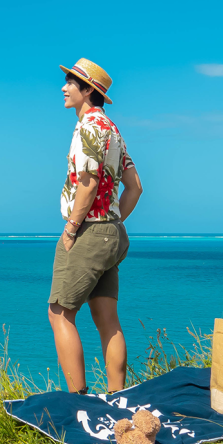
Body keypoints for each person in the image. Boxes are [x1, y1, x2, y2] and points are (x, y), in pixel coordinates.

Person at [48, 57, 143, 394]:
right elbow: (135, 187)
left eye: (70, 83)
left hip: (88, 230)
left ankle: (77, 401)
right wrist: (112, 221)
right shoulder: (113, 131)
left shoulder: (88, 127)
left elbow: (87, 185)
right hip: (112, 232)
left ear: (87, 90)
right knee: (107, 320)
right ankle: (119, 397)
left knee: (60, 313)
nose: (63, 88)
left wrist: (73, 228)